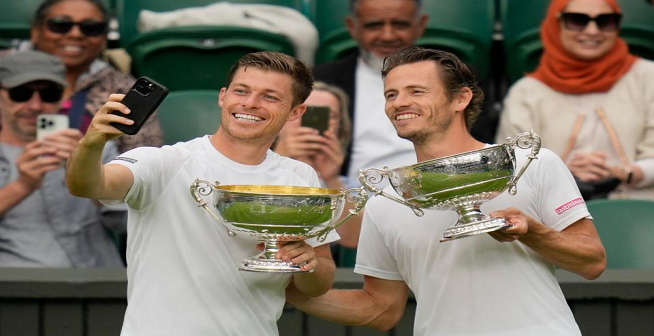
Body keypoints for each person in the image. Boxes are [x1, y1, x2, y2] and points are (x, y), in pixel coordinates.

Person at [286, 46, 606, 335]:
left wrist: (532, 232)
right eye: (391, 94)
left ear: (460, 99)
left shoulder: (530, 162)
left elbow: (591, 262)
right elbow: (380, 309)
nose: (400, 103)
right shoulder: (386, 197)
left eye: (416, 91)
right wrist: (286, 289)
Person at [65, 51, 337, 335]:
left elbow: (319, 281)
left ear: (295, 111)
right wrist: (90, 143)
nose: (250, 103)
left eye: (269, 96)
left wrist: (306, 262)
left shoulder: (301, 176)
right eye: (241, 91)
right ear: (222, 96)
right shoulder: (163, 162)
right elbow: (86, 186)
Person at [314, 0, 497, 181]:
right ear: (352, 27)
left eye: (400, 24)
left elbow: (475, 143)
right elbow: (312, 146)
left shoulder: (458, 75)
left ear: (420, 25)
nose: (388, 35)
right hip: (353, 193)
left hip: (447, 182)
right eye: (374, 25)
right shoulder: (322, 80)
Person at [496, 0, 654, 200]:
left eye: (605, 21)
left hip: (640, 209)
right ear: (556, 24)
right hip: (553, 212)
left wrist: (625, 173)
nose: (592, 31)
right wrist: (561, 172)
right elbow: (511, 166)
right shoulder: (526, 92)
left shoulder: (648, 77)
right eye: (577, 20)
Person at [0, 51, 125, 268]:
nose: (35, 105)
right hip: (17, 289)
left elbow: (129, 224)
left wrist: (86, 169)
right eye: (21, 93)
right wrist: (21, 186)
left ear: (64, 97)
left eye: (49, 94)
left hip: (99, 282)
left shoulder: (95, 149)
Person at [27, 0, 163, 153]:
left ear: (104, 37)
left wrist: (85, 159)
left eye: (91, 28)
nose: (75, 34)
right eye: (60, 25)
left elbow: (143, 159)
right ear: (35, 31)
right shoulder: (4, 72)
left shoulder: (123, 88)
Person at [273, 82, 360, 253]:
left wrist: (332, 180)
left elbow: (353, 240)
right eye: (304, 112)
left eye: (329, 115)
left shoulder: (348, 188)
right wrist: (278, 159)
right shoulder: (248, 170)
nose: (313, 122)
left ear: (340, 127)